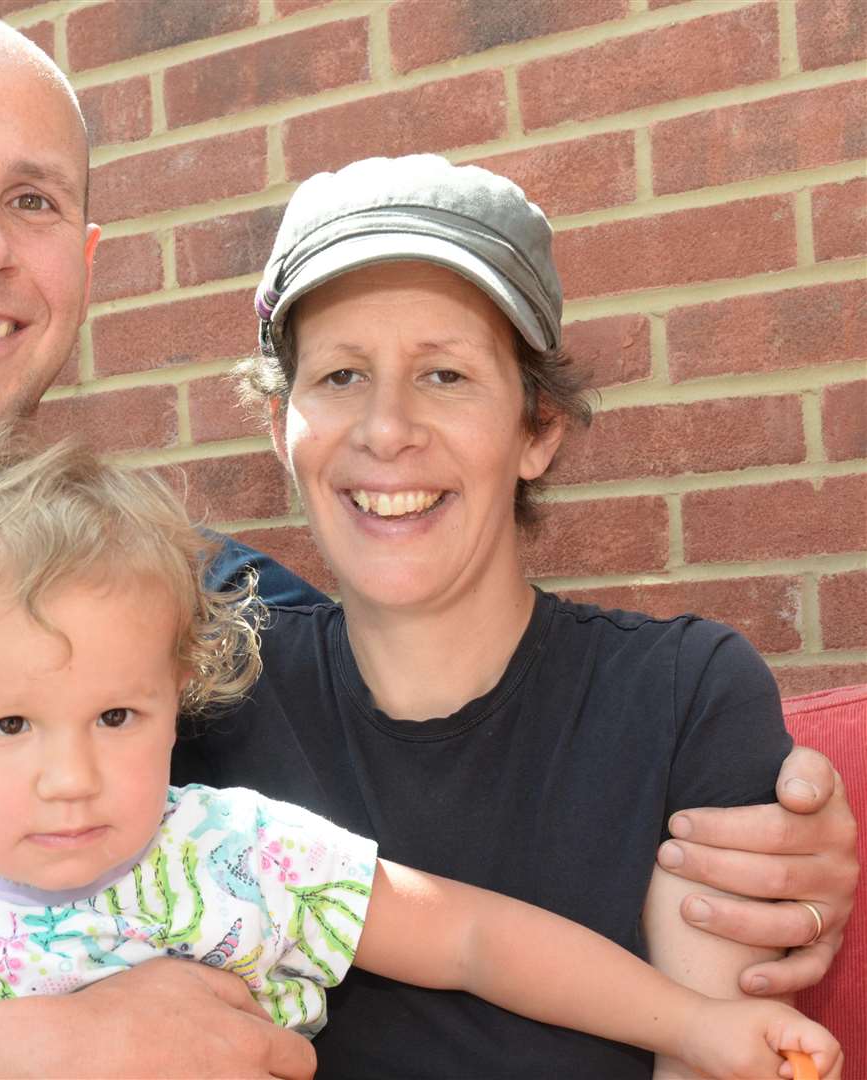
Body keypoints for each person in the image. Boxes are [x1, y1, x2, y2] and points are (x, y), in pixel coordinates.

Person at [0, 6, 856, 1076]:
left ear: (86, 254)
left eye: (29, 200)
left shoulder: (214, 614)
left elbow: (445, 892)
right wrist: (14, 1058)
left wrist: (789, 840)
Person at [0, 426, 838, 1080]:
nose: (71, 775)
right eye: (9, 725)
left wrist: (690, 1025)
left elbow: (472, 936)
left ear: (177, 700)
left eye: (117, 717)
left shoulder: (233, 854)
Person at [172, 152, 858, 1078]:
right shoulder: (201, 691)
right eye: (338, 376)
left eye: (445, 375)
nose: (385, 429)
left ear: (538, 428)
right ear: (279, 429)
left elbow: (716, 1057)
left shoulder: (679, 698)